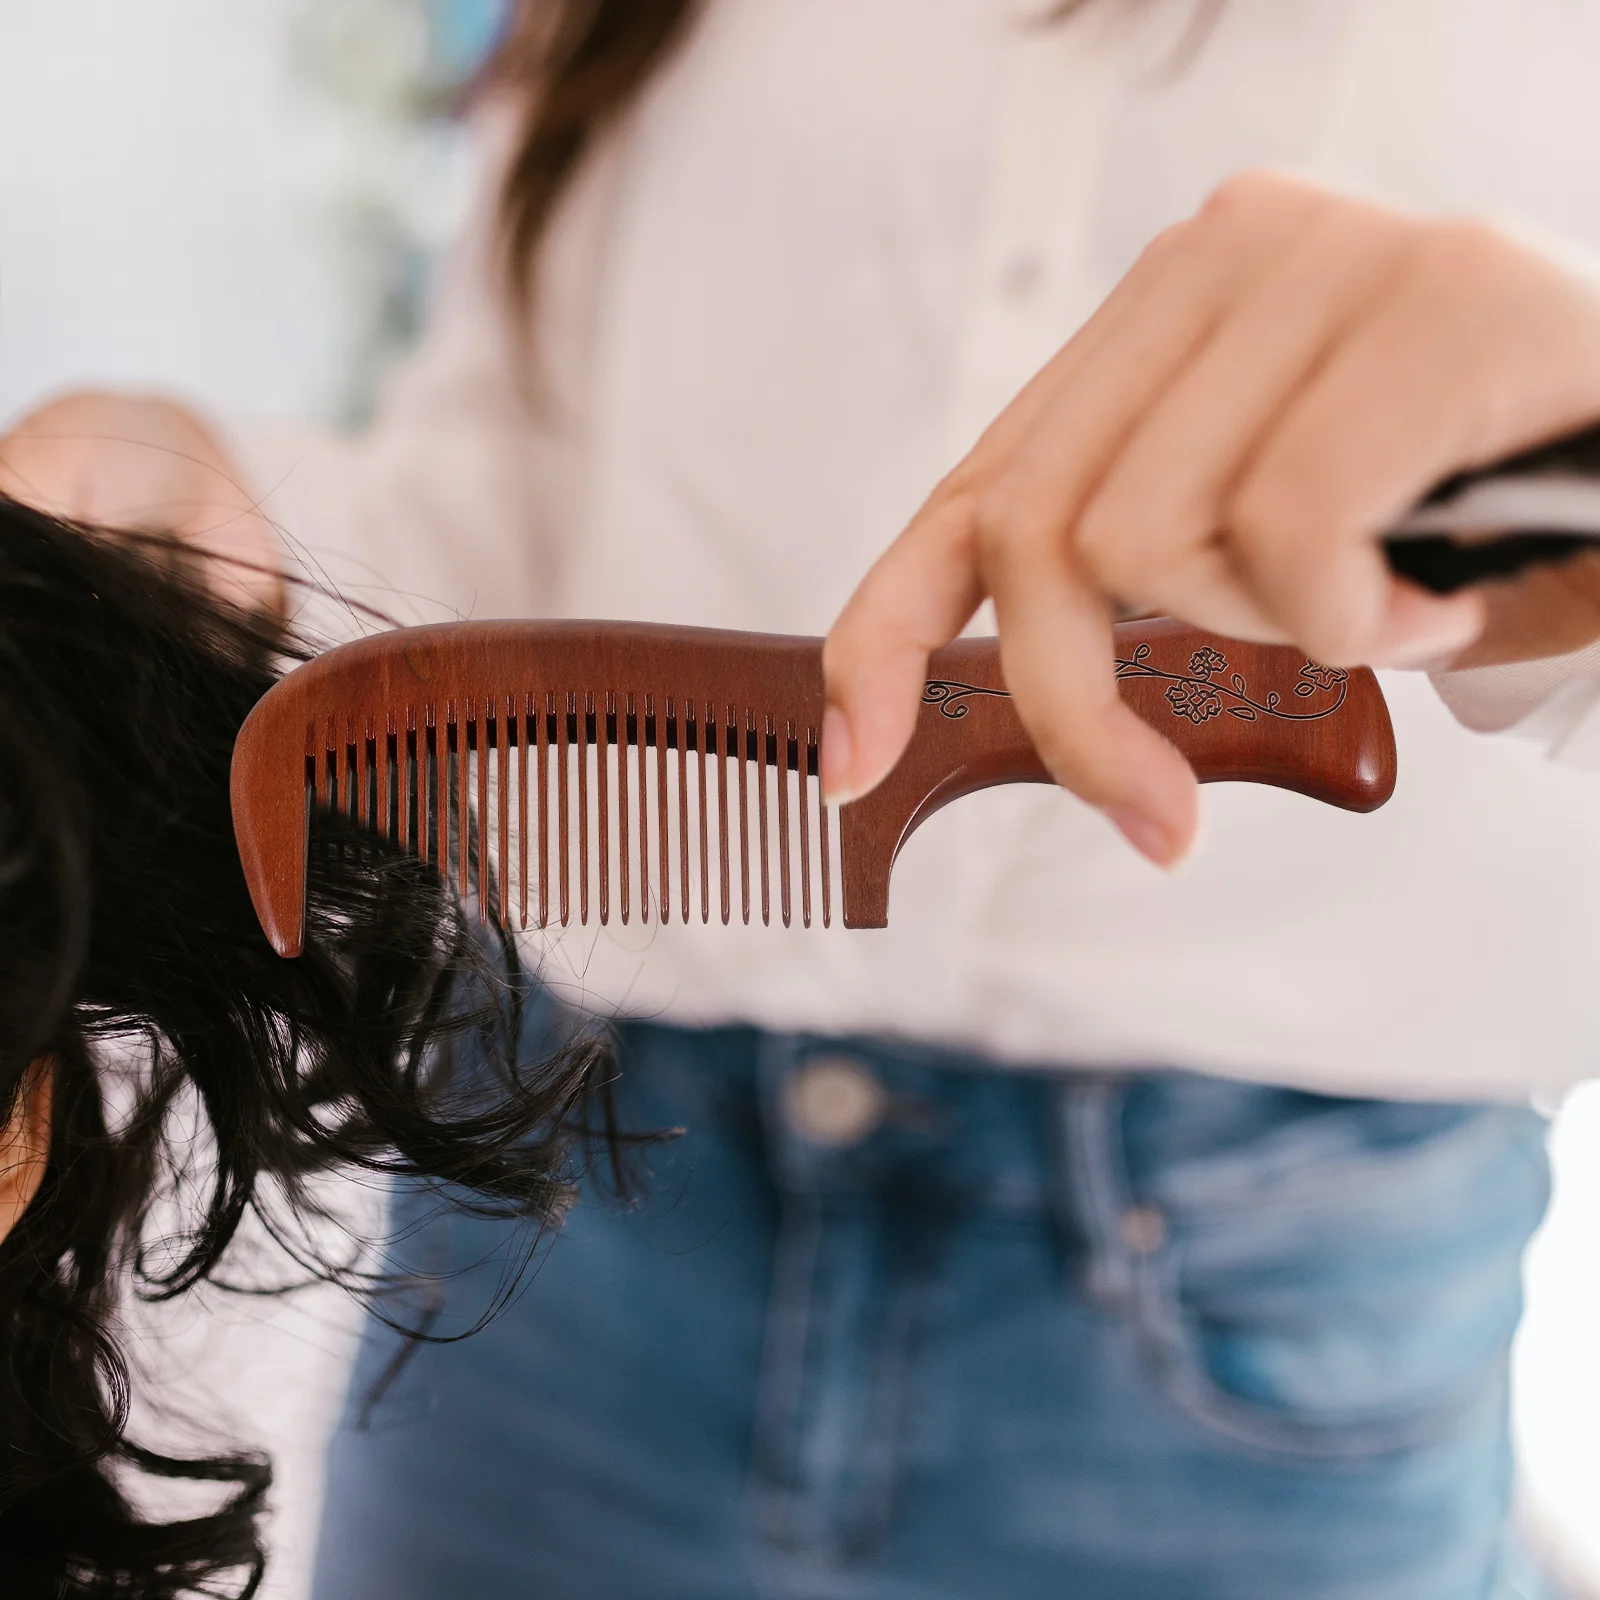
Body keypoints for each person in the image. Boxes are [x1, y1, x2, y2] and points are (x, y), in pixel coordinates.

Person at [8, 1, 1600, 1594]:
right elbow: (517, 508)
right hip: (577, 1200)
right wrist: (209, 532)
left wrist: (1576, 490)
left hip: (1273, 1288)